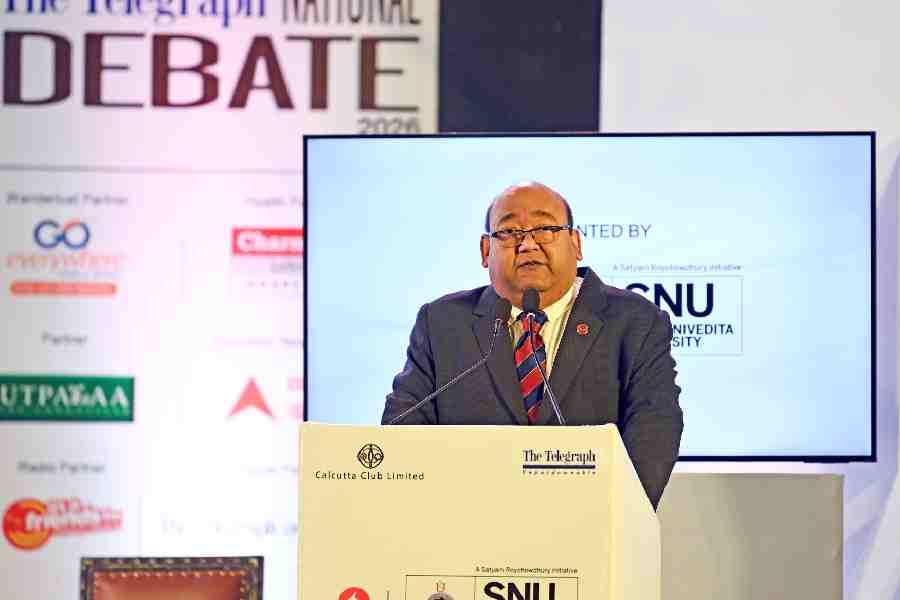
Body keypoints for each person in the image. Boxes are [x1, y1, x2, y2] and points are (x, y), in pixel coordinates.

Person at [382, 181, 683, 509]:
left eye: (545, 229)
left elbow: (654, 430)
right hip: (465, 521)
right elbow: (402, 428)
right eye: (509, 232)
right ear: (485, 250)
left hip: (588, 525)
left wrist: (613, 515)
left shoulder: (634, 321)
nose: (527, 244)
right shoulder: (441, 323)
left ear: (576, 243)